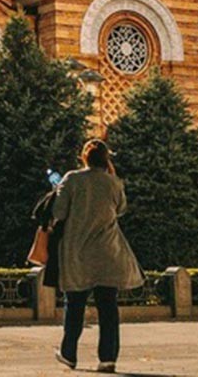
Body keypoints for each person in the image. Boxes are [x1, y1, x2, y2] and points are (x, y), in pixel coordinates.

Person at [52, 139, 143, 374]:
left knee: (75, 305)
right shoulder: (114, 183)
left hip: (77, 253)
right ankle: (108, 359)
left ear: (85, 158)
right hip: (107, 252)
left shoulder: (72, 179)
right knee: (108, 308)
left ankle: (69, 354)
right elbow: (121, 209)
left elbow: (59, 212)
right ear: (106, 159)